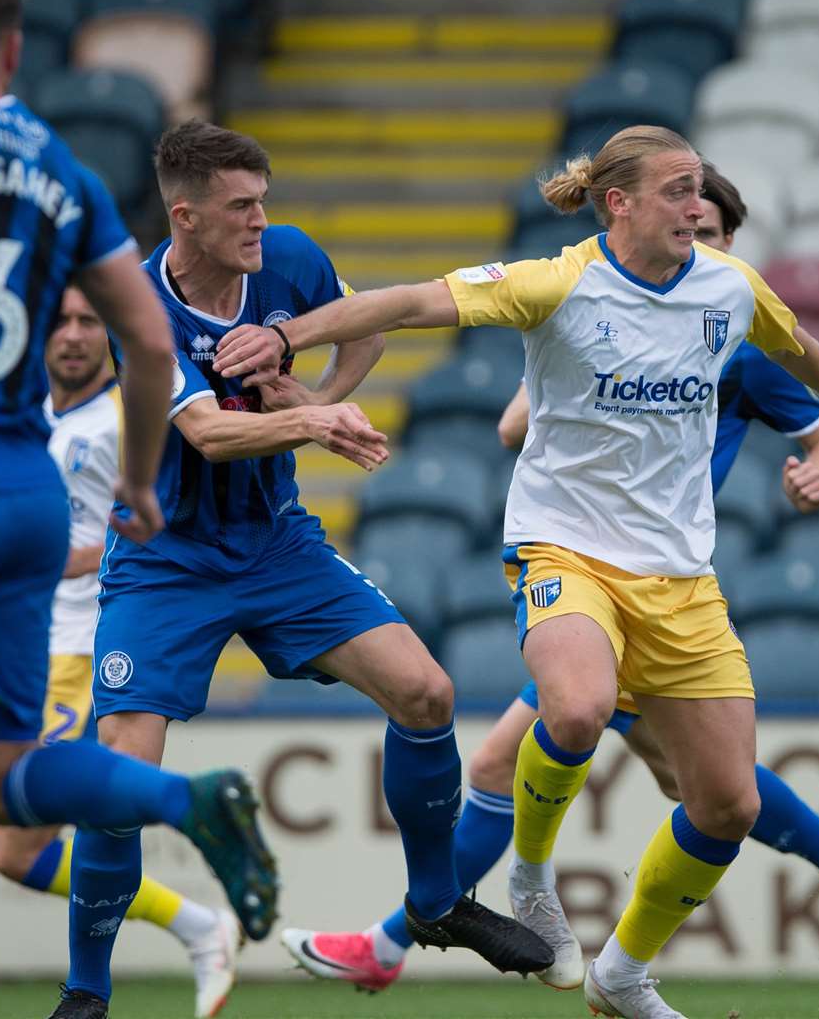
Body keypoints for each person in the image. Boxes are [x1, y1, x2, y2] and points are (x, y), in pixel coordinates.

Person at [210, 125, 819, 1019]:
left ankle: (621, 975)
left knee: (726, 805)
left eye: (699, 190)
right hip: (565, 551)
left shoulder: (727, 289)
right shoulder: (558, 281)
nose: (697, 207)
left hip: (680, 579)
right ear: (617, 203)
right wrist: (283, 333)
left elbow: (795, 344)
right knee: (572, 708)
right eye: (678, 191)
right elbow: (405, 303)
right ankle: (530, 884)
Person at [50, 118, 552, 1017]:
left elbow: (364, 334)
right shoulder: (135, 304)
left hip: (278, 544)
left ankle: (434, 903)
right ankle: (87, 992)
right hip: (168, 558)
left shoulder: (287, 260)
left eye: (263, 202)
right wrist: (313, 424)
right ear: (186, 218)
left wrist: (320, 394)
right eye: (240, 207)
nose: (260, 221)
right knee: (121, 771)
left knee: (426, 693)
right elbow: (203, 431)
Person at [0, 0, 282, 1008]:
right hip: (24, 507)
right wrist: (141, 480)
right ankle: (184, 802)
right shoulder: (63, 167)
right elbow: (148, 338)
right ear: (13, 51)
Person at [0, 288, 243, 1019]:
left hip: (75, 652)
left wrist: (40, 558)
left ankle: (193, 901)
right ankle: (200, 925)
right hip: (6, 647)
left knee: (15, 842)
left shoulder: (133, 416)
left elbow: (163, 532)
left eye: (89, 322)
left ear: (111, 336)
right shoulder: (23, 416)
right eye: (59, 323)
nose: (72, 337)